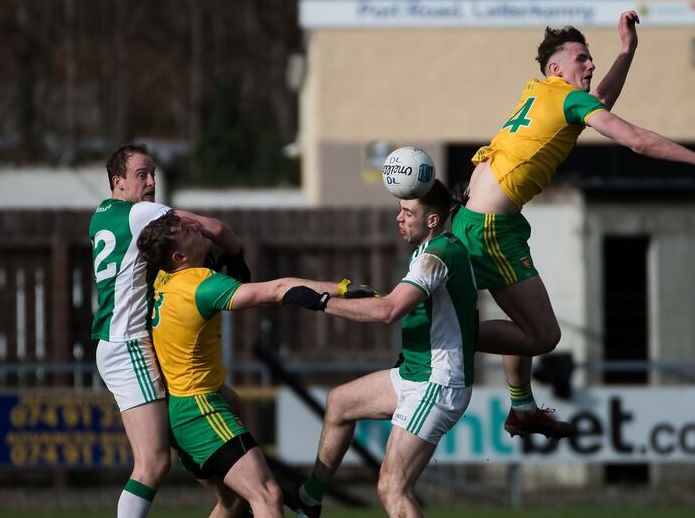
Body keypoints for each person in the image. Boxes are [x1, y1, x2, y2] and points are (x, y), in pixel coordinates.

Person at [452, 11, 695, 437]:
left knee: (522, 324)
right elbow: (636, 140)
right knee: (543, 335)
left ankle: (522, 406)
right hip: (491, 227)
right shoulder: (566, 99)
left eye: (592, 59)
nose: (590, 65)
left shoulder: (541, 92)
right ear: (556, 68)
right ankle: (444, 333)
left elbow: (599, 104)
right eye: (582, 59)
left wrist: (627, 51)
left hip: (480, 220)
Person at [281, 180, 478, 518]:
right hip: (414, 374)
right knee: (339, 402)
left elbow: (389, 311)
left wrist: (323, 303)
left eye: (407, 212)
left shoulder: (439, 255)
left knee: (392, 488)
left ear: (432, 220)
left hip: (436, 383)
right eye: (399, 209)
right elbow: (399, 305)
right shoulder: (431, 250)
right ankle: (309, 499)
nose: (399, 218)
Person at [136, 211, 349, 518]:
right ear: (180, 255)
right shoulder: (201, 287)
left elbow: (216, 230)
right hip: (200, 413)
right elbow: (277, 290)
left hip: (180, 410)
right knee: (267, 496)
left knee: (233, 502)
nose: (196, 227)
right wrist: (339, 289)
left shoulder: (163, 276)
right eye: (187, 230)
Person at [89, 144, 250, 517]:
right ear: (119, 182)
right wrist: (235, 256)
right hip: (129, 344)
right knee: (153, 464)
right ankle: (237, 488)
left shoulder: (100, 215)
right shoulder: (141, 213)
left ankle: (235, 492)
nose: (151, 182)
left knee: (230, 405)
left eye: (153, 174)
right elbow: (216, 229)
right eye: (141, 174)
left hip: (132, 342)